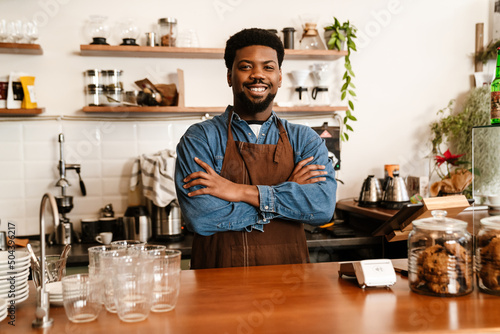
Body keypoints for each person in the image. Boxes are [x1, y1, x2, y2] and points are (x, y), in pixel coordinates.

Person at [175, 28, 337, 269]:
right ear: (230, 76)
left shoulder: (305, 139)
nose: (258, 75)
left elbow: (322, 208)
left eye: (268, 67)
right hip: (217, 286)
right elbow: (201, 218)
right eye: (246, 67)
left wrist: (238, 191)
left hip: (290, 284)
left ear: (279, 77)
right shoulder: (200, 138)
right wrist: (286, 195)